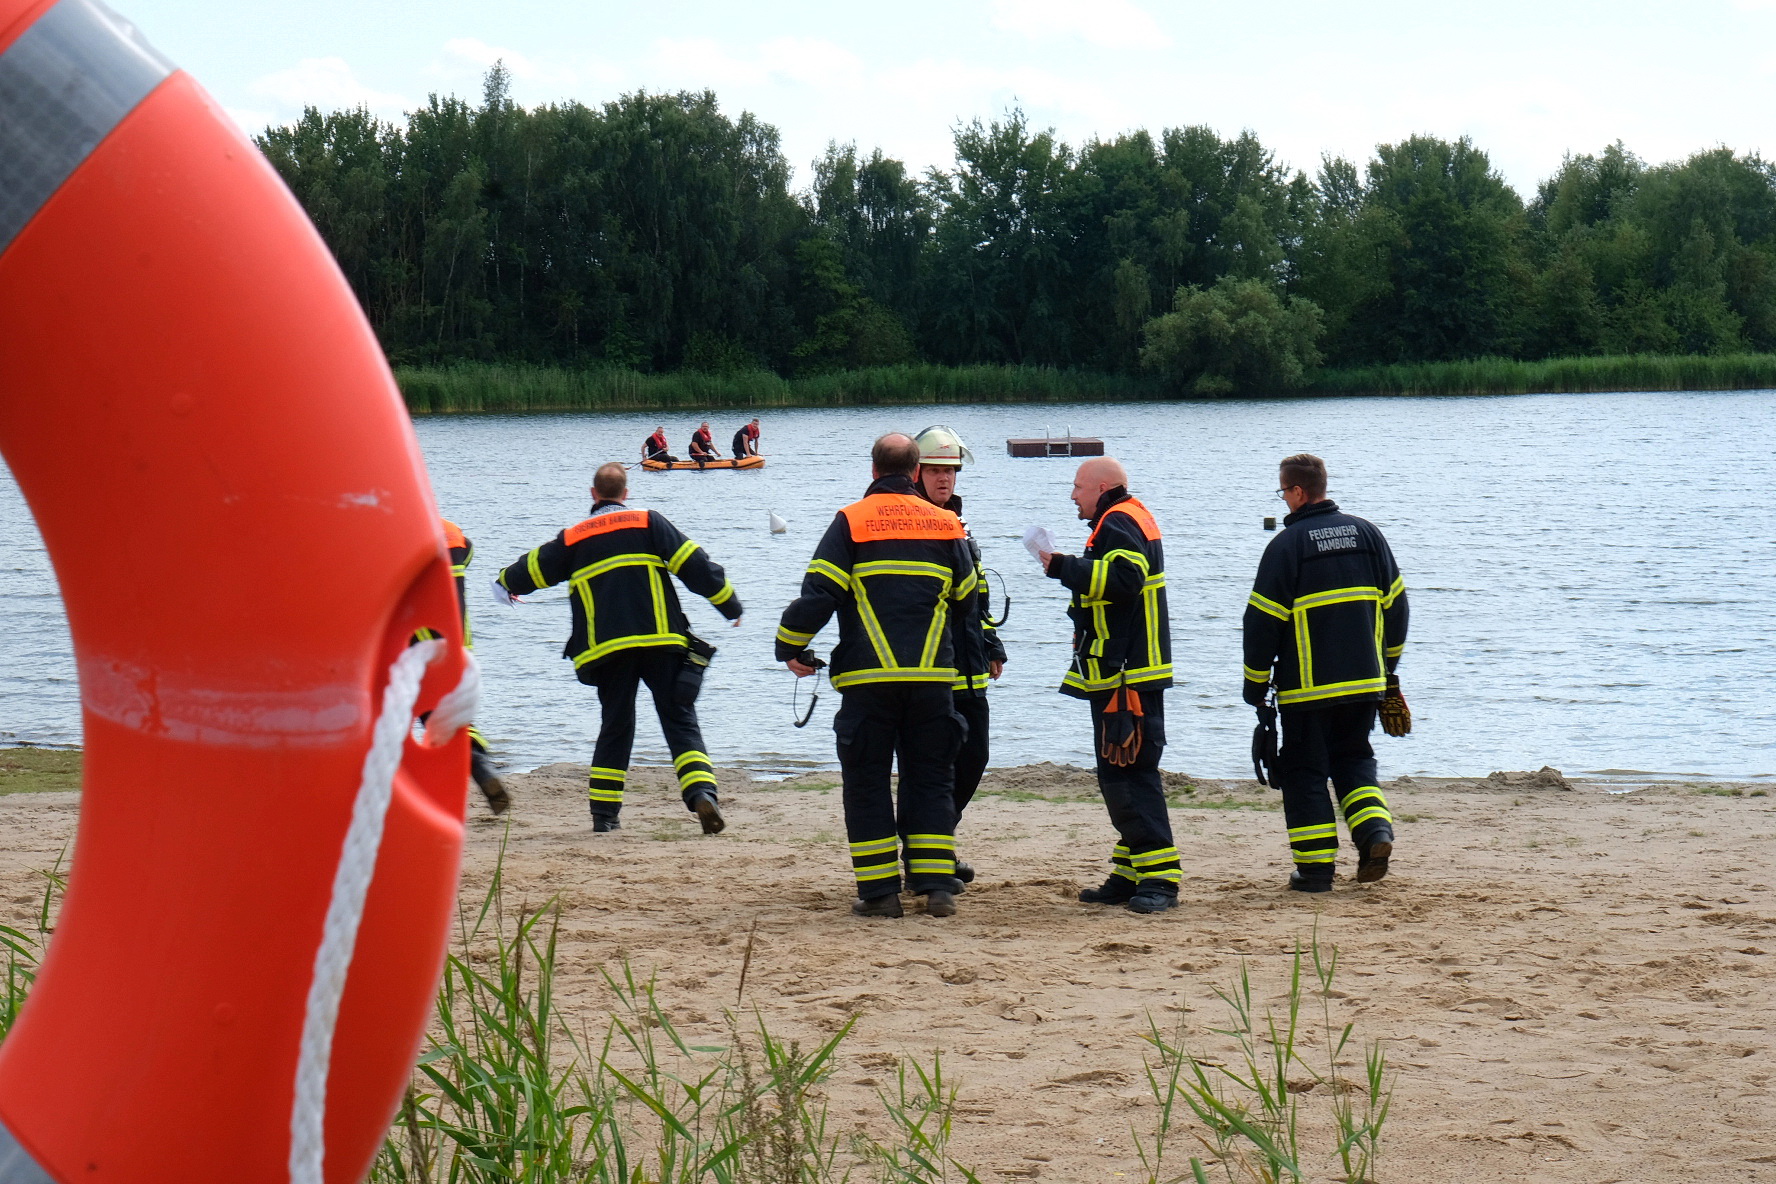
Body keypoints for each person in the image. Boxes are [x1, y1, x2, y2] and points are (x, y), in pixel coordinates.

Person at [776, 433, 977, 918]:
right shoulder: (947, 524)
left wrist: (789, 645)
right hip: (932, 679)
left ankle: (881, 894)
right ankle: (937, 888)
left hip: (869, 681)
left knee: (866, 781)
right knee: (931, 777)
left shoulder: (851, 521)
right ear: (915, 474)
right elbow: (968, 599)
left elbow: (820, 593)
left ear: (873, 471)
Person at [495, 462, 742, 833]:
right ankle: (702, 794)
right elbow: (696, 566)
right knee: (679, 720)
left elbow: (530, 569)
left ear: (593, 495)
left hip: (606, 650)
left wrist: (504, 584)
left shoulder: (573, 538)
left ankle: (605, 817)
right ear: (626, 494)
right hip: (662, 641)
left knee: (616, 724)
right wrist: (730, 606)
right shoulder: (649, 522)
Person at [1243, 453, 1407, 891]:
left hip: (1307, 690)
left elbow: (1261, 622)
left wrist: (1254, 684)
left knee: (1304, 772)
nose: (1283, 499)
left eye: (1283, 491)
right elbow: (1397, 606)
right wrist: (1387, 669)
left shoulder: (1286, 546)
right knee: (1354, 761)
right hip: (1366, 683)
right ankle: (1376, 835)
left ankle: (1315, 872)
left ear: (1297, 493)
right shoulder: (1368, 534)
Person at [1037, 457, 1179, 914]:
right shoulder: (1128, 515)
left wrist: (1062, 566)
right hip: (1127, 669)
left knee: (1129, 774)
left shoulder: (1118, 521)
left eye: (1078, 487)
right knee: (1121, 771)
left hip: (1126, 675)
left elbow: (1124, 580)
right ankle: (1130, 872)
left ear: (1102, 487)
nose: (1073, 495)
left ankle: (1160, 879)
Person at [905, 425, 1005, 888]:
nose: (946, 479)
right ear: (916, 472)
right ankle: (924, 854)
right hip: (927, 667)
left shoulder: (958, 522)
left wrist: (991, 643)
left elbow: (976, 595)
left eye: (951, 471)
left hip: (968, 666)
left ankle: (935, 840)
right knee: (927, 762)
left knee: (974, 755)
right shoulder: (905, 522)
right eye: (937, 471)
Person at [421, 519, 510, 814]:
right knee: (449, 713)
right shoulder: (453, 533)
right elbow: (468, 554)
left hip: (419, 639)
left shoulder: (399, 531)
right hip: (459, 642)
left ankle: (475, 766)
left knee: (429, 713)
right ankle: (478, 764)